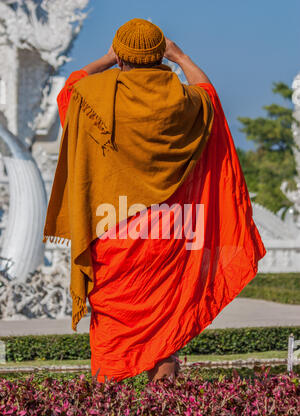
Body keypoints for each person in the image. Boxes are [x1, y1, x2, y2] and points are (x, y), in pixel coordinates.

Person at [43, 18, 266, 384]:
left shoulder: (91, 96)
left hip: (112, 227)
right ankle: (164, 410)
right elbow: (208, 93)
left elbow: (69, 89)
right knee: (165, 315)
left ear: (122, 55)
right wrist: (180, 56)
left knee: (112, 321)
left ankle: (105, 411)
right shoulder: (181, 101)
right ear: (159, 54)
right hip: (169, 228)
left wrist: (106, 59)